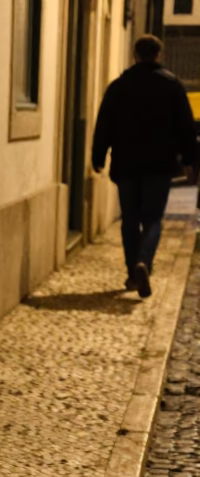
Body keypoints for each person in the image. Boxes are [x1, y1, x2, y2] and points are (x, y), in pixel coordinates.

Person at [92, 34, 198, 298]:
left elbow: (104, 123)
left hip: (126, 164)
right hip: (159, 166)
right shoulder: (173, 86)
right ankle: (144, 262)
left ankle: (131, 273)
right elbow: (186, 127)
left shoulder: (119, 86)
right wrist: (190, 161)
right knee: (152, 219)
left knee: (129, 219)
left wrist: (98, 156)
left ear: (135, 55)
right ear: (158, 55)